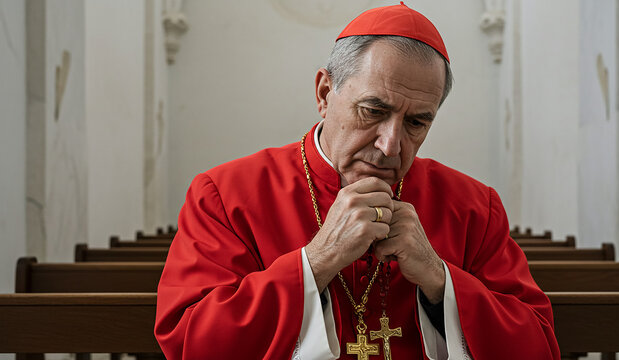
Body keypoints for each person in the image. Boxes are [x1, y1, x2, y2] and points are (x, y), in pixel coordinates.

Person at [154, 3, 560, 359]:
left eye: (417, 122)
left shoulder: (473, 207)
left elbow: (538, 346)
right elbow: (190, 343)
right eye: (372, 110)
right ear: (325, 92)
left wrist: (440, 281)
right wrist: (316, 262)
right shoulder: (225, 196)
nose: (390, 145)